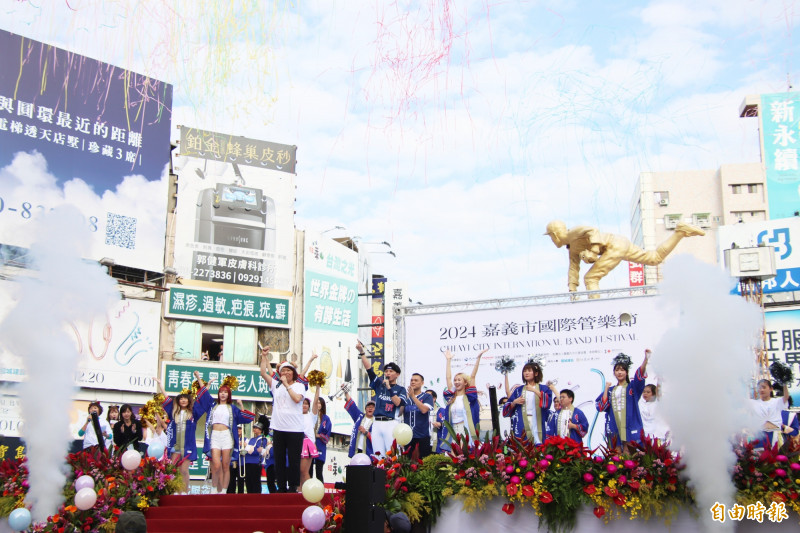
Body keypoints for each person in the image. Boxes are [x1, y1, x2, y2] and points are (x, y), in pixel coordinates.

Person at [545, 220, 705, 293]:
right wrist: (572, 289)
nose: (552, 241)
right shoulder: (572, 249)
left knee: (591, 279)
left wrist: (593, 252)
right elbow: (574, 267)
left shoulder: (573, 232)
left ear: (555, 234)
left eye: (551, 237)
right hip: (620, 243)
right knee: (654, 258)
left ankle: (595, 309)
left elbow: (592, 230)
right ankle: (680, 232)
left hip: (613, 245)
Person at [194, 370, 256, 494]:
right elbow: (204, 394)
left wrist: (241, 405)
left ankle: (223, 491)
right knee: (216, 465)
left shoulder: (232, 408)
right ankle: (214, 489)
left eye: (225, 393)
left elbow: (245, 418)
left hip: (227, 436)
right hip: (214, 436)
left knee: (225, 465)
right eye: (221, 392)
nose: (223, 394)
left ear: (228, 395)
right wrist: (198, 377)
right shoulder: (212, 405)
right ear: (218, 394)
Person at [260, 347, 305, 493]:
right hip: (278, 427)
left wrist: (286, 385)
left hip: (295, 429)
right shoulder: (275, 385)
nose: (285, 373)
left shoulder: (299, 386)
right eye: (283, 370)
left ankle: (293, 486)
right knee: (278, 459)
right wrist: (264, 356)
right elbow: (263, 373)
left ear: (294, 373)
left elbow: (297, 399)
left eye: (288, 370)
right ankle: (281, 486)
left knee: (293, 459)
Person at [156, 377, 205, 495]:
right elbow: (166, 398)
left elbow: (202, 399)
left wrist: (199, 380)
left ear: (188, 401)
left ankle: (184, 491)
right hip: (176, 445)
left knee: (184, 470)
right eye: (181, 399)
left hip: (188, 446)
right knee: (173, 469)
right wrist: (160, 384)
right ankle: (174, 491)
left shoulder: (194, 413)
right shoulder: (173, 412)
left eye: (185, 399)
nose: (183, 401)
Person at [359, 340, 408, 455]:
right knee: (378, 455)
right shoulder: (379, 385)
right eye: (386, 371)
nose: (388, 373)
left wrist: (389, 388)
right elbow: (369, 370)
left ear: (397, 374)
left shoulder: (401, 389)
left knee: (393, 454)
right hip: (377, 422)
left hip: (391, 423)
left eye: (391, 371)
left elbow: (397, 403)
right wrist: (361, 352)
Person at [596, 350, 650, 451]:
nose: (619, 372)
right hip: (614, 424)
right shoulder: (611, 390)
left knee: (629, 451)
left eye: (622, 370)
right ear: (614, 373)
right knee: (616, 454)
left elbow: (640, 376)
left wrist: (646, 360)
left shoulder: (632, 387)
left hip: (630, 423)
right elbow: (601, 407)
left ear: (626, 372)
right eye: (617, 370)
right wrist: (606, 388)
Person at [442, 348, 486, 444]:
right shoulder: (452, 396)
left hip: (465, 428)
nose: (456, 382)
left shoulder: (469, 397)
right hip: (452, 428)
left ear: (465, 382)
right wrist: (448, 360)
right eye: (455, 380)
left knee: (463, 454)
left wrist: (478, 358)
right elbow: (448, 378)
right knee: (452, 455)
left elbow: (473, 376)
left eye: (459, 380)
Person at [502, 360, 553, 444]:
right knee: (523, 444)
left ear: (536, 373)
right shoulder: (518, 390)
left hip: (537, 421)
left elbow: (548, 402)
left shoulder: (543, 388)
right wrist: (514, 402)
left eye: (529, 371)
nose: (526, 373)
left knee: (538, 442)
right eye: (525, 371)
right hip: (522, 421)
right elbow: (506, 410)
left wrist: (534, 390)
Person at [750, 379, 790, 448]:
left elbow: (786, 397)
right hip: (760, 436)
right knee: (760, 457)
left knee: (777, 457)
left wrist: (784, 382)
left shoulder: (777, 401)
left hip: (774, 435)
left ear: (771, 389)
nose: (761, 390)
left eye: (764, 387)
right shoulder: (753, 403)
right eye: (759, 388)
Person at [404, 373, 434, 458]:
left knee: (423, 462)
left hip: (422, 435)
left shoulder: (427, 396)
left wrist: (413, 396)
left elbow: (424, 410)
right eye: (411, 380)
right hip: (407, 436)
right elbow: (399, 413)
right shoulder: (406, 398)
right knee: (407, 463)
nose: (413, 382)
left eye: (416, 380)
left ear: (422, 383)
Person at [300, 383, 322, 489]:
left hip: (307, 444)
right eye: (302, 403)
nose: (304, 405)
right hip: (297, 443)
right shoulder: (295, 415)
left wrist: (317, 388)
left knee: (304, 471)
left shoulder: (311, 416)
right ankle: (300, 492)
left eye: (306, 404)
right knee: (299, 472)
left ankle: (311, 491)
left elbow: (315, 402)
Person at [343, 385, 375, 457]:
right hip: (356, 450)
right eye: (368, 407)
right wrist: (346, 392)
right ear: (365, 409)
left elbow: (376, 440)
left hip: (368, 453)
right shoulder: (359, 416)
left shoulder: (376, 422)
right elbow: (352, 405)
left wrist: (365, 432)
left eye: (372, 407)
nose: (370, 409)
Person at [242, 421, 268, 493]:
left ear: (260, 430)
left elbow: (257, 451)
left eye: (256, 428)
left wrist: (247, 447)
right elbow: (253, 449)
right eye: (254, 428)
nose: (254, 429)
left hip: (256, 463)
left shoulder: (262, 439)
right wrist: (250, 448)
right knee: (248, 482)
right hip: (247, 462)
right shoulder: (251, 439)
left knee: (255, 482)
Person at [311, 397, 331, 483]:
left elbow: (327, 435)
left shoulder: (326, 419)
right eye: (317, 403)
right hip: (310, 445)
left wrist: (318, 435)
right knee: (309, 470)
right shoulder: (310, 416)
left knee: (319, 471)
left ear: (322, 405)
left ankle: (321, 492)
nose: (318, 405)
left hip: (320, 446)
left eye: (320, 403)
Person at [227, 426, 246, 494]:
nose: (238, 430)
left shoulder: (245, 439)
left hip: (241, 463)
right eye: (237, 428)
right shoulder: (231, 439)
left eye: (240, 428)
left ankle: (240, 495)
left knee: (240, 480)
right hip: (232, 462)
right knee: (231, 480)